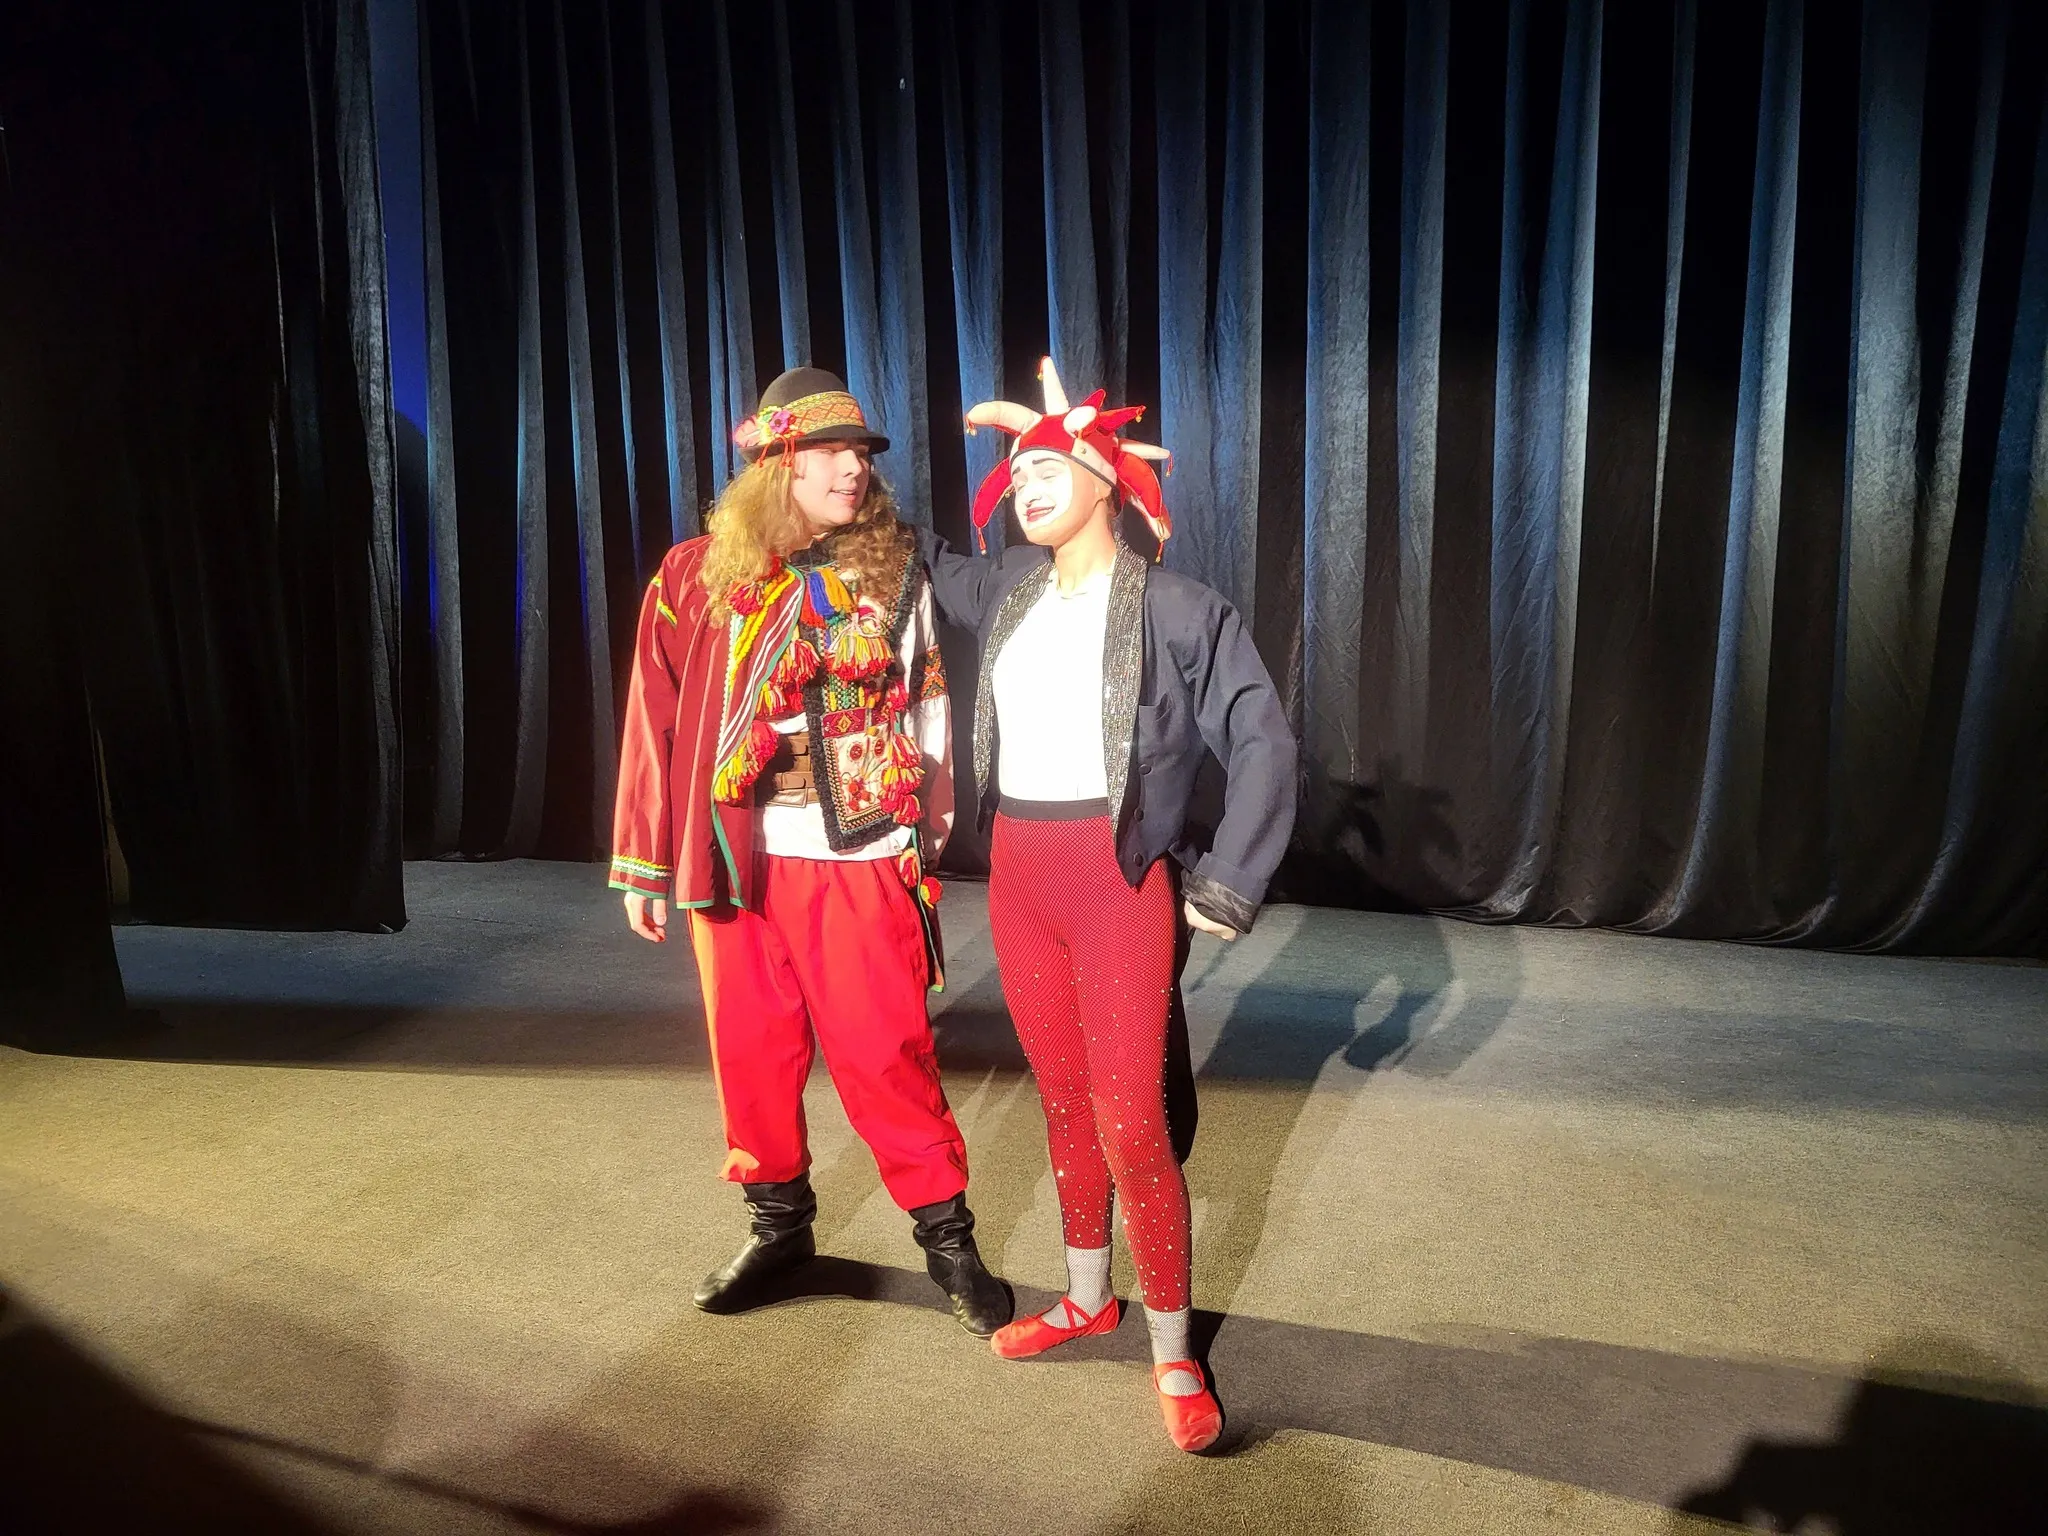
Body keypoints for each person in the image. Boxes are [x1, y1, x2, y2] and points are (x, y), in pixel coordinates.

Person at [921, 359, 1296, 1451]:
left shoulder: (1177, 606)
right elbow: (917, 558)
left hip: (1116, 878)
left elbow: (1262, 737)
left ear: (1106, 479)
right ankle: (1088, 1296)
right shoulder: (1008, 590)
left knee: (1132, 1116)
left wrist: (1230, 877)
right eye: (1015, 474)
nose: (1023, 486)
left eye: (1048, 467)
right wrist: (826, 473)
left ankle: (1174, 1351)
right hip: (1020, 877)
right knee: (1064, 1101)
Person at [610, 366, 1010, 1337]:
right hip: (733, 856)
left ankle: (947, 1241)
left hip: (856, 856)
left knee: (885, 1055)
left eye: (859, 454)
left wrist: (925, 827)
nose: (851, 469)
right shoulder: (694, 575)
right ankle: (778, 1227)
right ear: (776, 464)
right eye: (828, 452)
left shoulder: (893, 571)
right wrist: (645, 862)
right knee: (749, 1055)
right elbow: (654, 720)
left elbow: (926, 702)